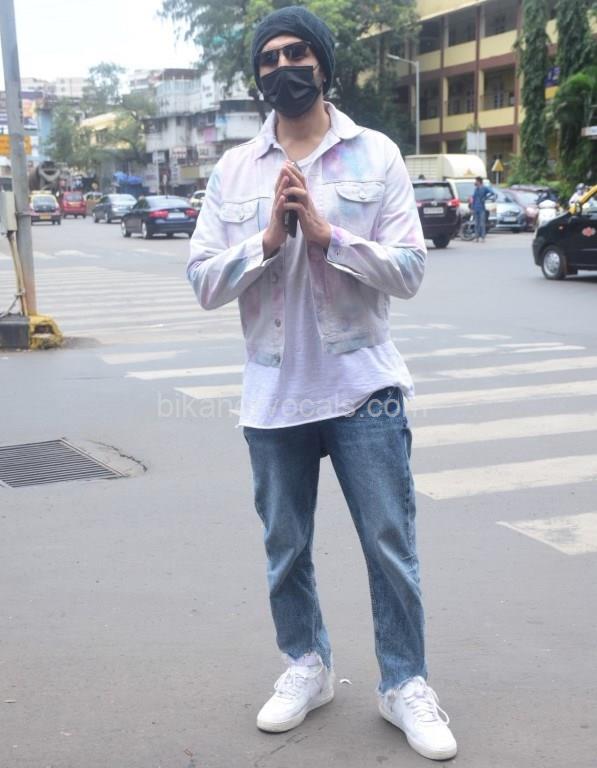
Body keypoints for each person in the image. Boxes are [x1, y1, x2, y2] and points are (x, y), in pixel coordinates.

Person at [187, 6, 457, 761]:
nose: (283, 67)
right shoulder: (235, 170)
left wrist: (327, 235)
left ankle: (403, 683)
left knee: (389, 543)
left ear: (324, 64)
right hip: (274, 396)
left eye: (297, 53)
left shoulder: (376, 155)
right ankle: (305, 665)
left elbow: (409, 271)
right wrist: (267, 240)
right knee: (285, 546)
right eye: (269, 58)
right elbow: (202, 281)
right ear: (258, 74)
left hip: (364, 388)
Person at [469, 176, 493, 242]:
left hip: (482, 208)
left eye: (476, 181)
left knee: (482, 224)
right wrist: (472, 208)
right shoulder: (476, 189)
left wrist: (485, 198)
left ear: (479, 181)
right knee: (476, 224)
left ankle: (483, 237)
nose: (475, 182)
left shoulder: (484, 188)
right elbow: (474, 199)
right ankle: (476, 237)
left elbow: (492, 193)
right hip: (475, 208)